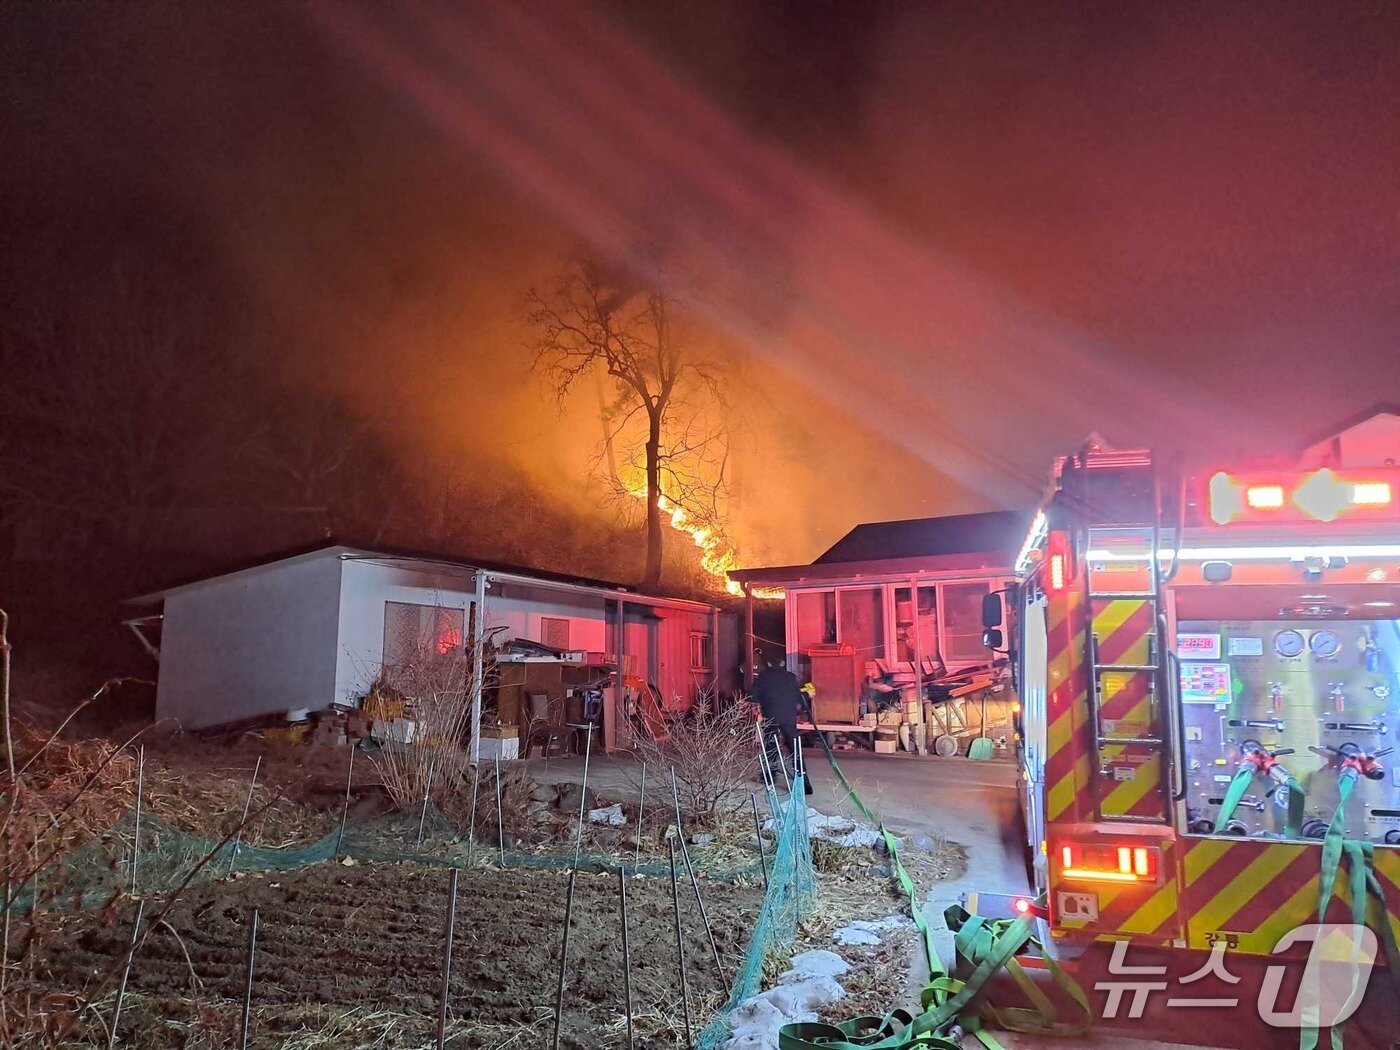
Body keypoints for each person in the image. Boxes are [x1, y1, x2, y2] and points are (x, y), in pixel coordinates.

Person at [751, 655, 813, 796]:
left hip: (771, 716)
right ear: (782, 664)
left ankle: (768, 778)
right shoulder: (791, 678)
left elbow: (752, 696)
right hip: (788, 718)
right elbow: (799, 698)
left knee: (771, 747)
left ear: (767, 663)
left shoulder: (763, 677)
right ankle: (804, 783)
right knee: (794, 748)